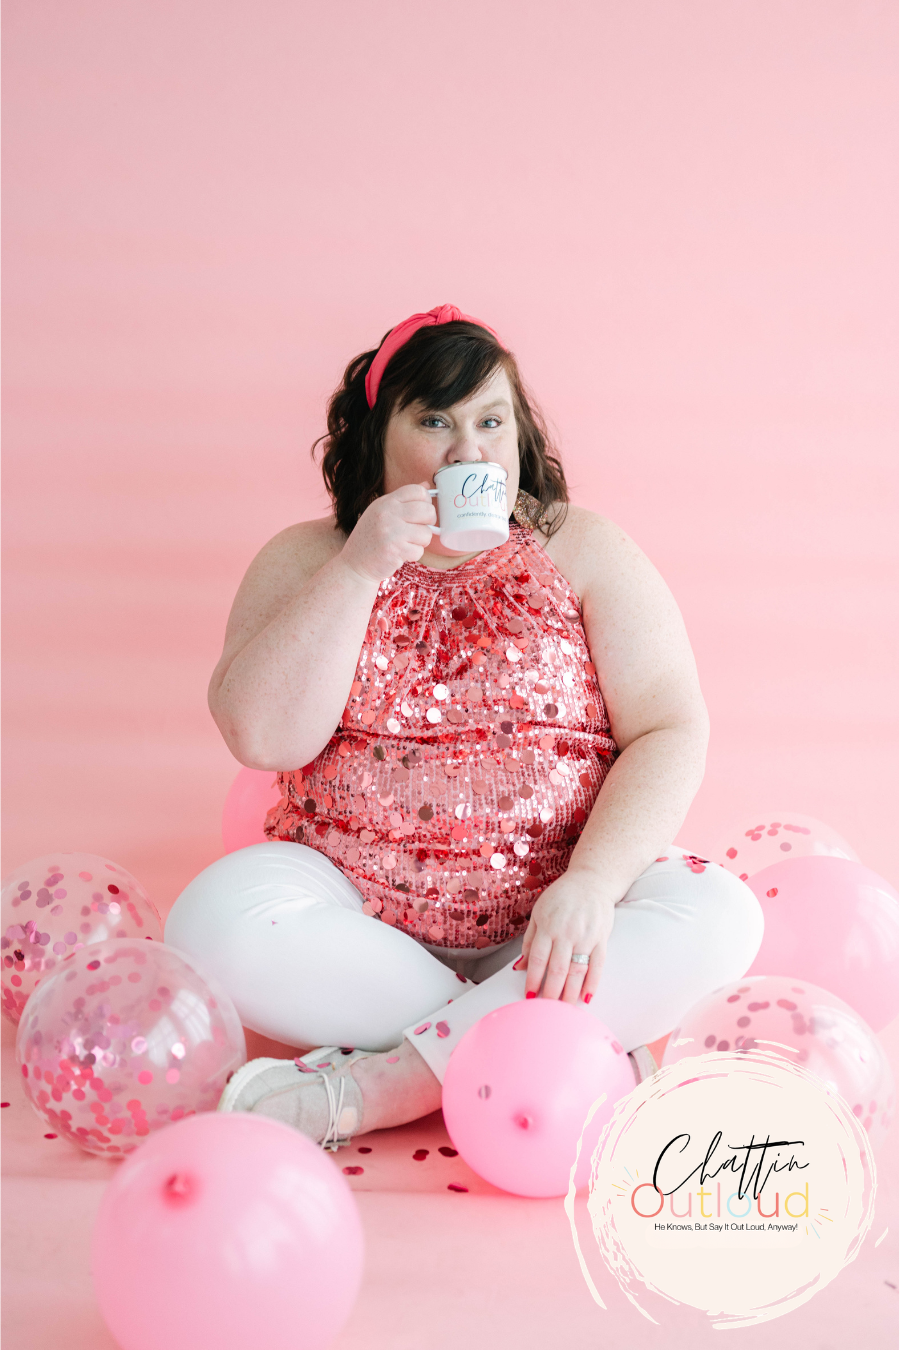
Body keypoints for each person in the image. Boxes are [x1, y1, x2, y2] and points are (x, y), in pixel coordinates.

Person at [164, 304, 764, 1151]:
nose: (469, 449)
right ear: (378, 439)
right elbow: (265, 739)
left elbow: (671, 726)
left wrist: (590, 885)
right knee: (211, 919)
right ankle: (564, 1050)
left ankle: (373, 1088)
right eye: (436, 420)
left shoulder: (585, 549)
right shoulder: (306, 559)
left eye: (492, 421)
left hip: (552, 920)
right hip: (364, 931)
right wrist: (361, 566)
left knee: (722, 909)